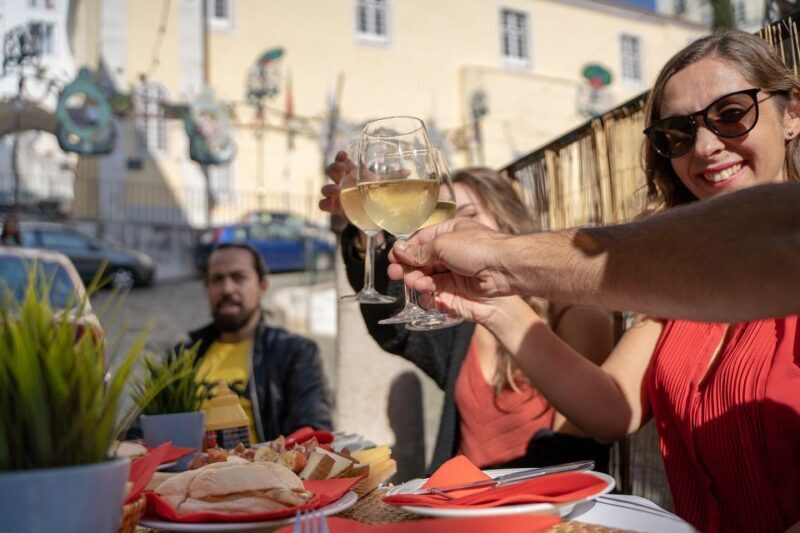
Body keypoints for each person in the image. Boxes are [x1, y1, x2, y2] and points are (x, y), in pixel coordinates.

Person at [391, 31, 800, 531]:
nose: (706, 147)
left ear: (792, 113)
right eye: (677, 133)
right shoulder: (675, 290)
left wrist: (499, 256)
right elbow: (612, 410)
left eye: (732, 114)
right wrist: (497, 307)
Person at [322, 162, 615, 473]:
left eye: (469, 216)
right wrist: (368, 232)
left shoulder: (574, 316)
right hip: (458, 507)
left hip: (533, 512)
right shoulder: (464, 318)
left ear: (508, 220)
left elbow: (576, 452)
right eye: (444, 220)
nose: (455, 232)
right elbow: (397, 326)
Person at [177, 243, 333, 442]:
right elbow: (141, 431)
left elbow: (314, 434)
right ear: (207, 288)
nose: (227, 289)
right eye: (217, 279)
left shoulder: (295, 353)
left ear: (262, 286)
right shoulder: (182, 357)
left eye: (238, 277)